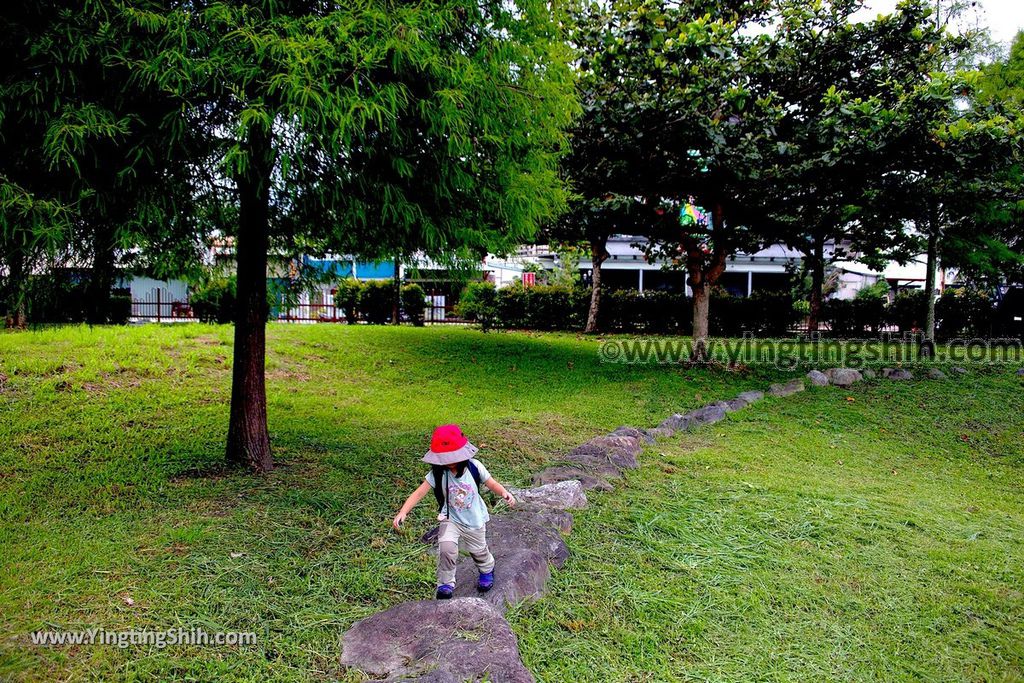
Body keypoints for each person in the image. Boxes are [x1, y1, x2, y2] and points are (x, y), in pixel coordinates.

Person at [392, 424, 517, 599]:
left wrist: (504, 492)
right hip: (451, 518)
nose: (448, 461)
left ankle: (487, 569)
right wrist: (403, 511)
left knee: (478, 550)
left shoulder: (474, 467)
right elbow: (420, 492)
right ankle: (445, 583)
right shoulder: (437, 473)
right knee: (447, 549)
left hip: (474, 519)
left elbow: (491, 483)